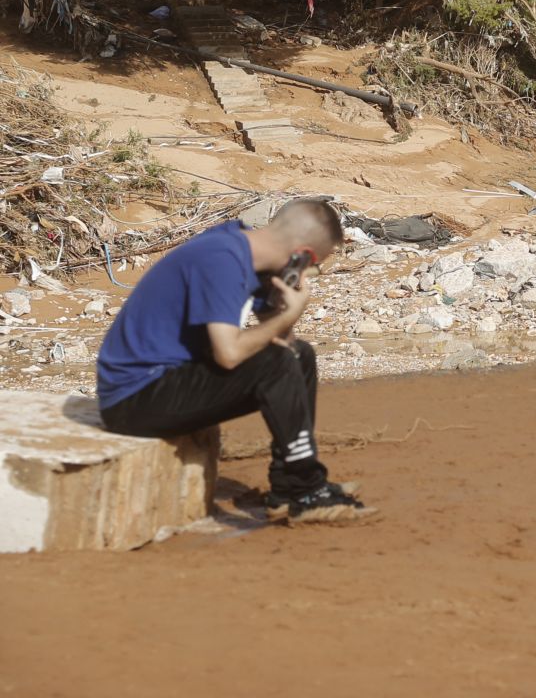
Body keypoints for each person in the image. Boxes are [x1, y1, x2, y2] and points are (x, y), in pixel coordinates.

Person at [95, 199, 370, 524]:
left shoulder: (242, 252)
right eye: (313, 265)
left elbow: (284, 343)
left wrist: (279, 309)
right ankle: (307, 492)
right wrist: (290, 315)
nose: (307, 273)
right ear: (302, 254)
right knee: (276, 362)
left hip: (167, 379)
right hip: (132, 399)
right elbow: (229, 354)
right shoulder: (223, 260)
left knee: (300, 356)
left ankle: (290, 487)